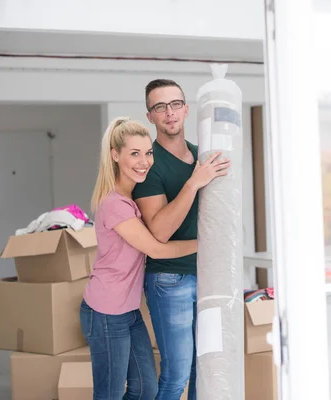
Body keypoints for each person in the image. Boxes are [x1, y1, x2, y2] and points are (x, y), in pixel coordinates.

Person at [80, 117, 199, 400]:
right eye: (135, 153)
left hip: (128, 311)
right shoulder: (114, 205)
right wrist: (206, 242)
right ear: (115, 155)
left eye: (148, 153)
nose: (144, 161)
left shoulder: (130, 199)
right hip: (106, 312)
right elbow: (156, 249)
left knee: (146, 388)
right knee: (109, 394)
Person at [132, 79, 230, 400]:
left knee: (199, 370)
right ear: (150, 116)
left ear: (187, 109)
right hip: (169, 278)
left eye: (175, 104)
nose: (169, 113)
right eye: (160, 107)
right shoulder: (149, 165)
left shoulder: (201, 155)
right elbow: (159, 230)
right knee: (176, 375)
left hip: (206, 276)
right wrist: (193, 183)